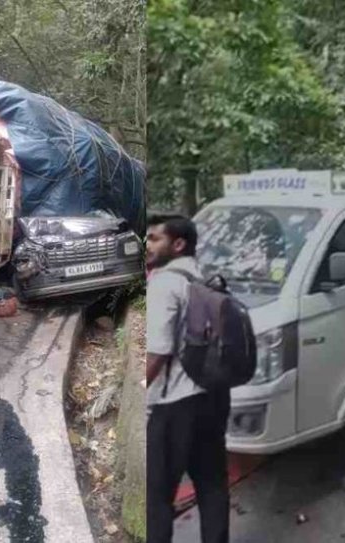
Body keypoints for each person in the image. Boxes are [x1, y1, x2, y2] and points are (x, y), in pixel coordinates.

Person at [146, 214, 230, 543]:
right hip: (211, 398)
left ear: (178, 244)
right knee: (212, 486)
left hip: (173, 407)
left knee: (157, 498)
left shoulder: (165, 283)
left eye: (154, 239)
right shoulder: (204, 278)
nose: (147, 245)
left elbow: (157, 353)